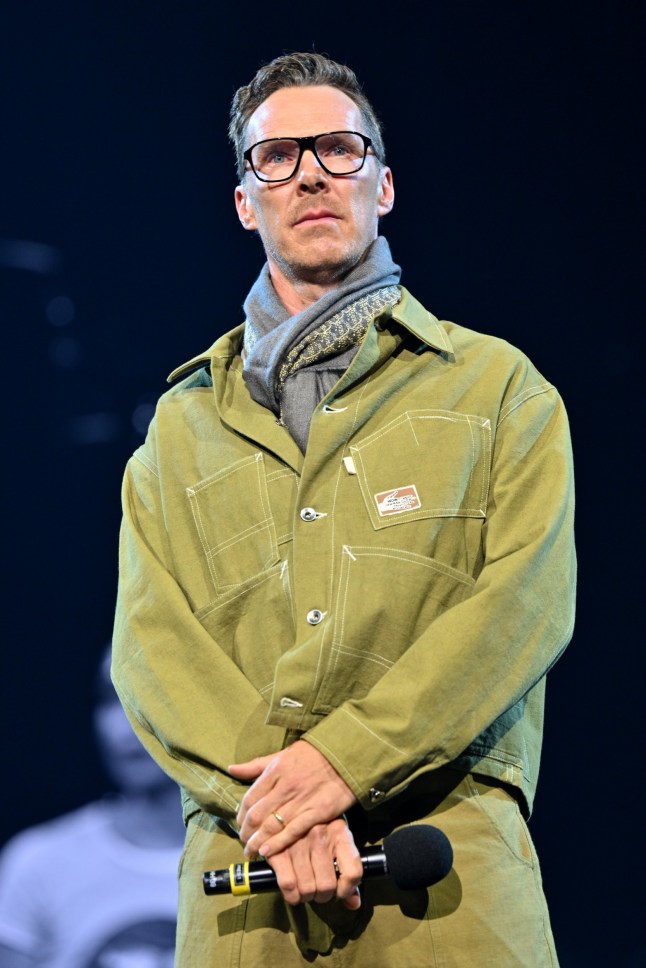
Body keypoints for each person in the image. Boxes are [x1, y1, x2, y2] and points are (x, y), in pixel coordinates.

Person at [111, 51, 576, 966]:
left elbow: (522, 606)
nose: (312, 173)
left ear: (384, 185)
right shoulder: (178, 431)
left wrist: (343, 761)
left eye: (339, 148)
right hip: (248, 880)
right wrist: (290, 808)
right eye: (277, 156)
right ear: (245, 203)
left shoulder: (498, 388)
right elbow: (151, 650)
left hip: (445, 874)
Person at [0, 645, 184, 968]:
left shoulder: (254, 857)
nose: (123, 725)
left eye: (150, 693)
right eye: (110, 697)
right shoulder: (38, 862)